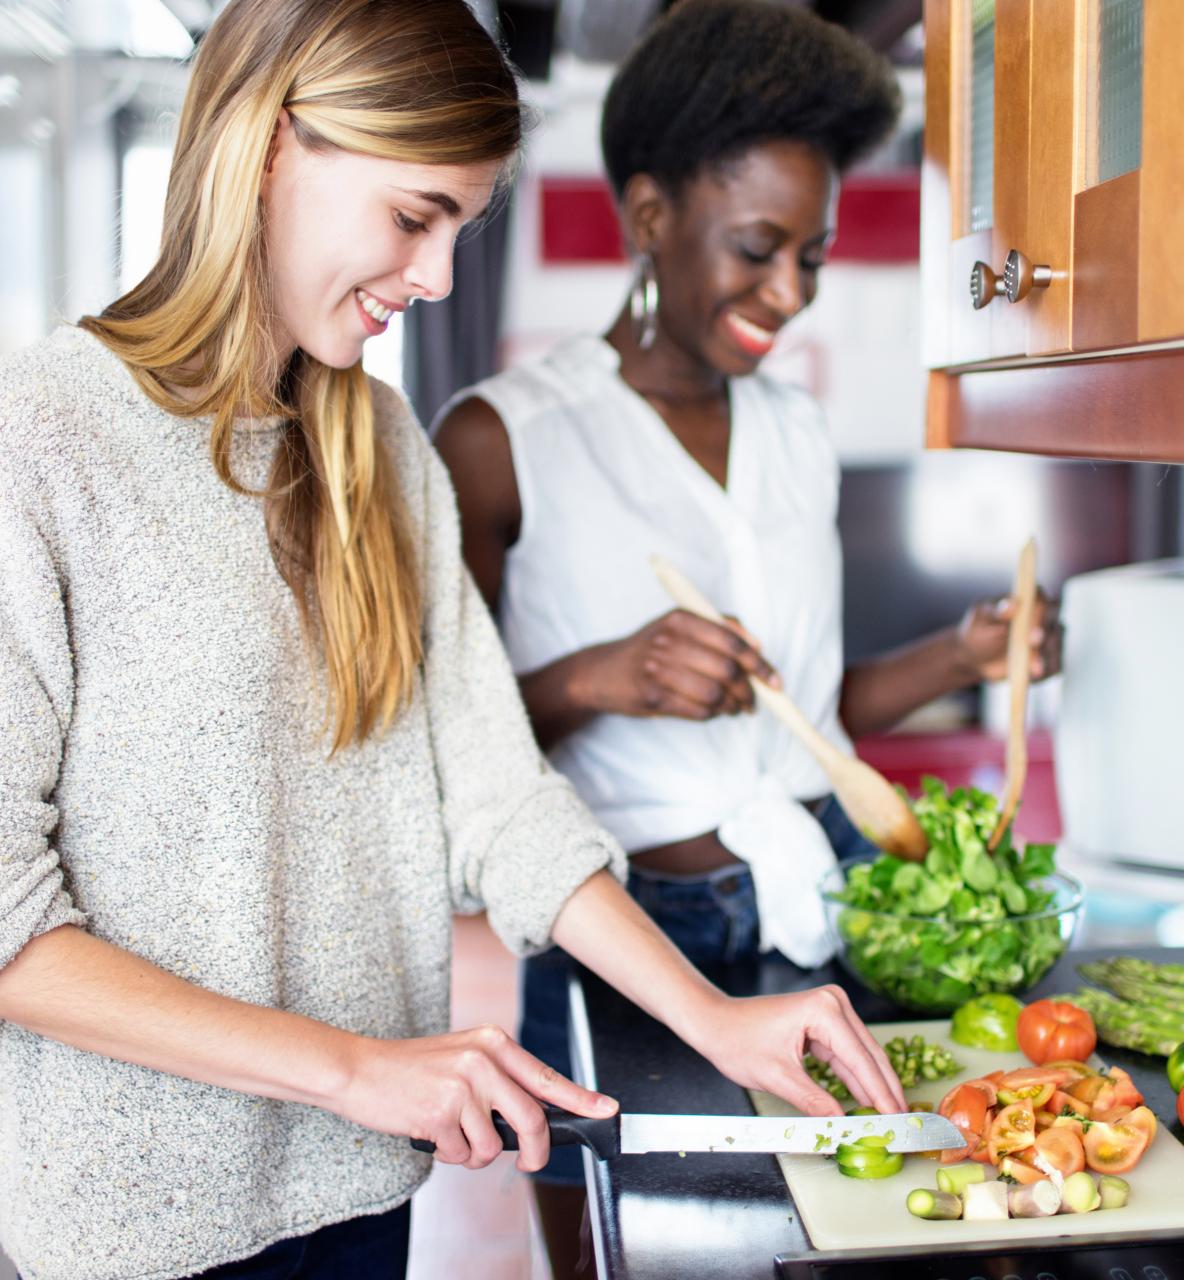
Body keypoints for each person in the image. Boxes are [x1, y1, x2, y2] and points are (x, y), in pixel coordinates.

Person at [0, 4, 908, 1279]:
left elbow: (496, 796)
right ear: (270, 146)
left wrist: (716, 1019)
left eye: (456, 233)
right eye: (412, 216)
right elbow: (7, 921)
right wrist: (355, 1067)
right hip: (136, 1227)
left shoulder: (377, 449)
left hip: (364, 1186)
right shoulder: (39, 440)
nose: (433, 279)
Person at [434, 1, 1062, 1272]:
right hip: (633, 929)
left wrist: (961, 654)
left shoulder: (794, 431)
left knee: (853, 1238)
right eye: (758, 247)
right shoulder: (500, 439)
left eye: (813, 255)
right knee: (630, 1251)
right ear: (650, 213)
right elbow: (444, 753)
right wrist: (599, 674)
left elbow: (807, 720)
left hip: (821, 892)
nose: (790, 293)